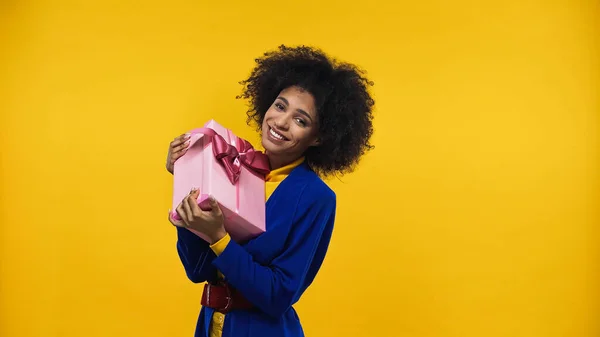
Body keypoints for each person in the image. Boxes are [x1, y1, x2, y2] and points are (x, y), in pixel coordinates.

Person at [165, 45, 375, 337]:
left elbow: (278, 296)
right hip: (211, 327)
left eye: (301, 120)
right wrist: (184, 181)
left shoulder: (316, 198)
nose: (281, 122)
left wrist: (218, 237)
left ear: (319, 137)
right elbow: (198, 271)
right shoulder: (235, 166)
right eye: (280, 105)